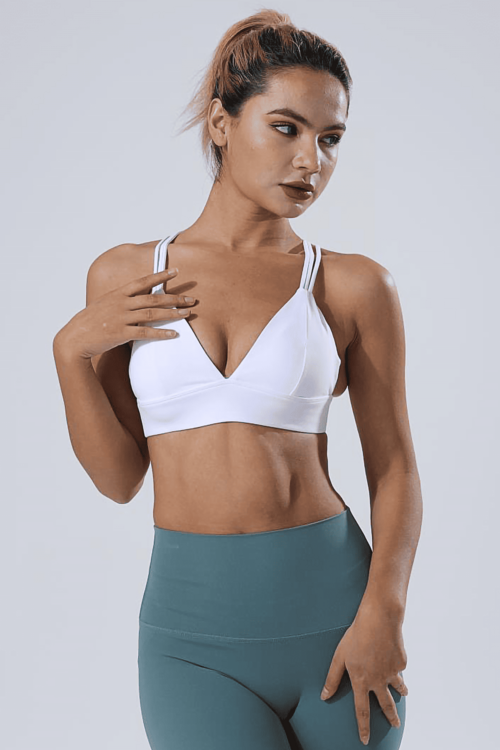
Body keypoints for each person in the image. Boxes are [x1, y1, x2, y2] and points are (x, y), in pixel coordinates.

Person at [53, 8, 422, 749]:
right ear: (222, 123)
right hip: (191, 640)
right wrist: (69, 355)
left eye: (330, 138)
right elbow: (120, 479)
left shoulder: (352, 286)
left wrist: (383, 615)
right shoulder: (127, 275)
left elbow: (394, 468)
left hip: (338, 620)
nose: (311, 160)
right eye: (286, 128)